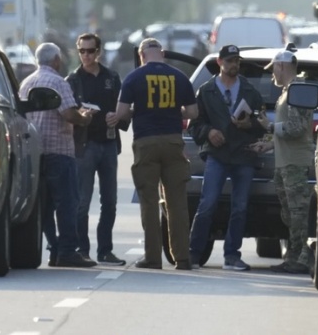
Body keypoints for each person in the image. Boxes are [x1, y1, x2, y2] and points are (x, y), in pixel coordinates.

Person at [115, 38, 198, 270]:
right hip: (173, 143)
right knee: (177, 202)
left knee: (149, 201)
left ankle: (152, 257)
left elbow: (121, 113)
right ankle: (182, 257)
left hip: (146, 143)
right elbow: (193, 112)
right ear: (162, 53)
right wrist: (172, 110)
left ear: (142, 55)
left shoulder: (134, 78)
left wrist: (139, 110)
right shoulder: (179, 77)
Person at [187, 45, 266, 271]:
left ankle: (232, 255)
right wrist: (209, 133)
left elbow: (262, 127)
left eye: (237, 61)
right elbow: (194, 124)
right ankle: (194, 253)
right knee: (207, 204)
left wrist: (249, 124)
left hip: (243, 155)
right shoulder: (206, 90)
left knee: (240, 207)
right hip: (217, 155)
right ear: (220, 63)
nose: (234, 65)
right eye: (230, 61)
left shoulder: (250, 92)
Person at [19, 42, 97, 268]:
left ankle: (54, 248)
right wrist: (85, 117)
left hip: (35, 152)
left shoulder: (26, 83)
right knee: (68, 204)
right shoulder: (58, 82)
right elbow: (69, 114)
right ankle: (67, 251)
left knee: (44, 206)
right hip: (60, 152)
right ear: (55, 60)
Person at [67, 33, 128, 266]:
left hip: (108, 144)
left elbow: (124, 108)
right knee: (82, 202)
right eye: (82, 51)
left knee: (110, 201)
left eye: (90, 51)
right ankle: (82, 250)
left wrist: (118, 117)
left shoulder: (111, 77)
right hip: (84, 145)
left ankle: (105, 250)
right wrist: (80, 116)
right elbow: (66, 112)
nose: (86, 56)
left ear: (99, 52)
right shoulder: (73, 80)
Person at [253, 47, 315, 274]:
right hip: (285, 162)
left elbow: (297, 128)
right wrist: (269, 144)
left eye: (273, 70)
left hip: (295, 163)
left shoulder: (298, 91)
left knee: (298, 212)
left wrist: (269, 127)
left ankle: (301, 258)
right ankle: (293, 255)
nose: (272, 75)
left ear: (281, 66)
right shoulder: (289, 91)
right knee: (290, 212)